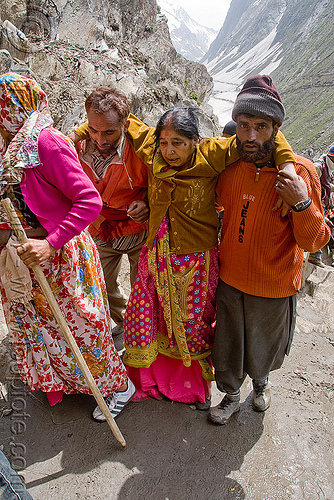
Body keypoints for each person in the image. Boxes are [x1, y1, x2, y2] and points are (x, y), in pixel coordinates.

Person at [116, 104, 296, 407]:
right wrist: (79, 133)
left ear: (195, 141)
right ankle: (148, 380)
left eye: (178, 143)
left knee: (192, 323)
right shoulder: (153, 151)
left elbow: (264, 138)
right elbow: (124, 119)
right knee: (150, 317)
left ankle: (190, 387)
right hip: (156, 254)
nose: (169, 151)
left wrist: (288, 166)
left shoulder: (213, 155)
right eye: (164, 142)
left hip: (195, 260)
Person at [0, 73, 136, 422]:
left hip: (59, 254)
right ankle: (69, 382)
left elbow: (88, 202)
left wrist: (49, 243)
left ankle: (118, 386)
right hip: (26, 257)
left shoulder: (45, 143)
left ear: (12, 109)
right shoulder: (10, 146)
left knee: (83, 327)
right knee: (46, 329)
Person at [208, 75, 330, 425]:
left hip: (275, 285)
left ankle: (261, 385)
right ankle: (231, 396)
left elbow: (315, 241)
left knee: (264, 349)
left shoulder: (301, 173)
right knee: (228, 349)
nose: (250, 136)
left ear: (276, 128)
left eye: (261, 126)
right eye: (244, 125)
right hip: (231, 280)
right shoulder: (229, 168)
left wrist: (301, 202)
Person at [70, 87, 149, 350]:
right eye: (93, 130)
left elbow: (161, 184)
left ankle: (138, 333)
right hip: (100, 228)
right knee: (100, 285)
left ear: (125, 126)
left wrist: (147, 202)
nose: (100, 139)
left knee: (144, 289)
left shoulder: (142, 148)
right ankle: (126, 323)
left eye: (109, 132)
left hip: (139, 229)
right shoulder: (78, 146)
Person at [308, 144, 334, 267]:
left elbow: (327, 186)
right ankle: (314, 256)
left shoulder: (329, 168)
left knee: (320, 229)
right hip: (315, 204)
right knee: (317, 229)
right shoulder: (319, 167)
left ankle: (315, 255)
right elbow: (310, 184)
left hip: (322, 205)